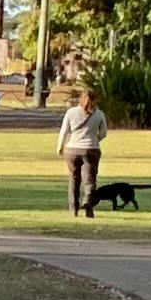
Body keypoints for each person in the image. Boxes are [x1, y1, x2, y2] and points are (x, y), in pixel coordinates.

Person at [56, 80, 107, 217]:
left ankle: (73, 209)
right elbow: (103, 133)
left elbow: (64, 131)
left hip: (72, 149)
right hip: (91, 149)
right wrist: (95, 139)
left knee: (74, 178)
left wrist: (60, 146)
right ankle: (88, 201)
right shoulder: (99, 114)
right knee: (89, 179)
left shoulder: (71, 112)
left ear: (81, 98)